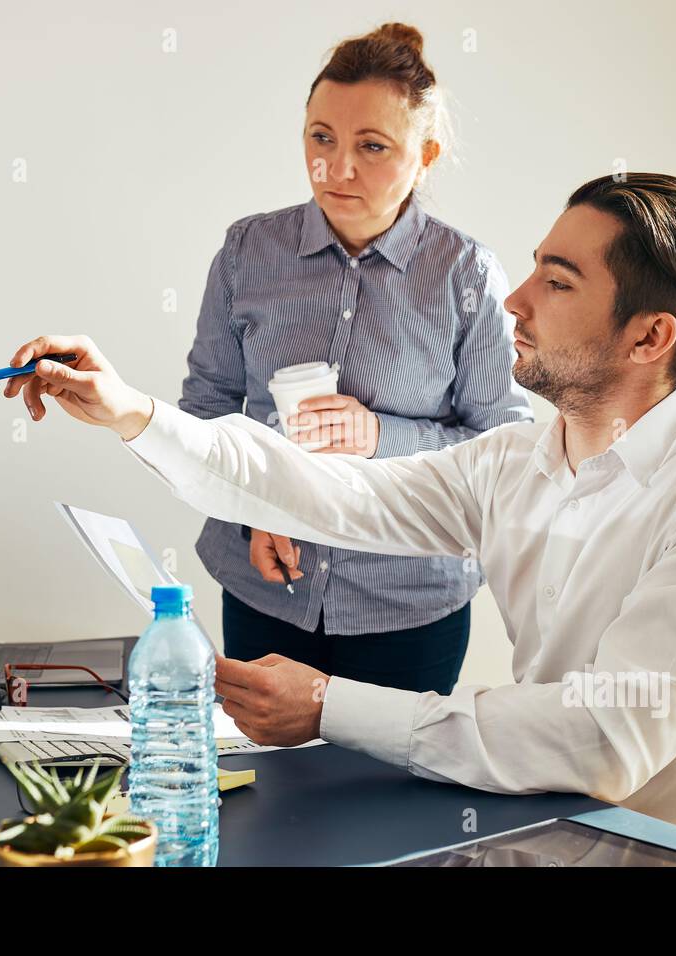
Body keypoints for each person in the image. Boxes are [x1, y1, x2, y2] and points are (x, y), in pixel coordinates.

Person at [3, 172, 676, 842]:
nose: (516, 301)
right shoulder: (518, 460)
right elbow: (327, 493)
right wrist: (130, 412)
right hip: (545, 826)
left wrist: (328, 704)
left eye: (557, 282)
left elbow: (602, 739)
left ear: (649, 339)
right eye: (535, 267)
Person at [177, 22, 532, 696]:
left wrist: (380, 436)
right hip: (264, 588)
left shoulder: (466, 274)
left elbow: (504, 448)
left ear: (425, 156)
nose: (336, 169)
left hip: (407, 602)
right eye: (321, 138)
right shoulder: (248, 251)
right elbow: (207, 409)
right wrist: (254, 509)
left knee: (390, 799)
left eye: (372, 146)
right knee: (268, 795)